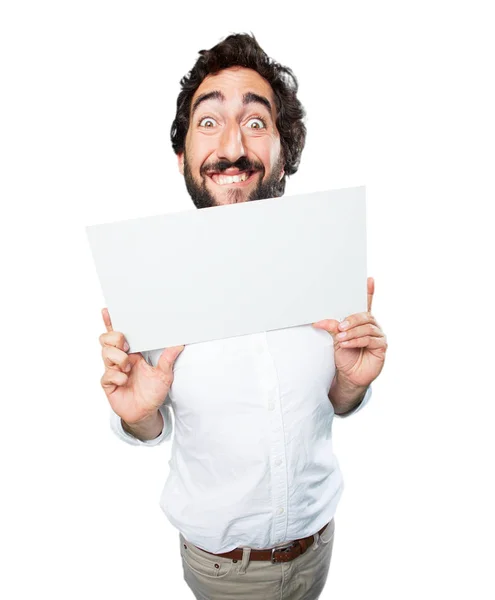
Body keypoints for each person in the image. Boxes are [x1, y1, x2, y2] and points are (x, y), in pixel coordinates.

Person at [99, 33, 387, 600]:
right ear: (182, 155)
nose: (232, 144)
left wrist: (350, 387)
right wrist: (137, 416)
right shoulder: (149, 282)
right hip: (220, 572)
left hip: (318, 549)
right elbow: (148, 429)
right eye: (209, 122)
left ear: (286, 150)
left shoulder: (330, 265)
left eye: (256, 122)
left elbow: (333, 404)